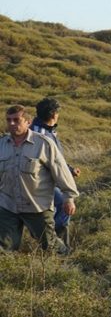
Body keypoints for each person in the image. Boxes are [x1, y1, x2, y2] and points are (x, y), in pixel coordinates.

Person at [0, 105, 78, 254]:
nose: (11, 124)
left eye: (16, 120)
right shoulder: (1, 144)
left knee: (51, 247)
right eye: (8, 120)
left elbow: (61, 171)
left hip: (37, 206)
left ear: (28, 122)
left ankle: (67, 262)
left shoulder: (43, 144)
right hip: (7, 205)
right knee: (4, 249)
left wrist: (69, 197)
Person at [30, 97, 80, 248]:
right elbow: (51, 162)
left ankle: (52, 240)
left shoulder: (43, 130)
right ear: (53, 114)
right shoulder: (43, 134)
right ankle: (53, 241)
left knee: (57, 208)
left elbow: (56, 158)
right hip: (43, 180)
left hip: (45, 178)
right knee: (66, 206)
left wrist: (69, 169)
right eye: (57, 112)